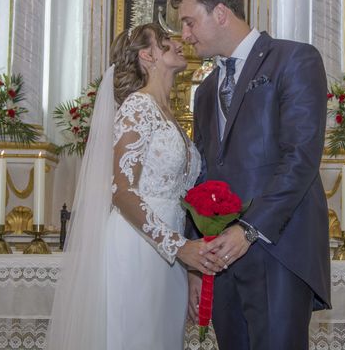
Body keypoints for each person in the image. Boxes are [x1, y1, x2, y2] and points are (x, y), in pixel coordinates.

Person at [171, 0, 331, 350]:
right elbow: (204, 175)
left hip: (279, 248)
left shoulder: (294, 59)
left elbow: (301, 157)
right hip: (222, 259)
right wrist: (197, 261)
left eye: (190, 22)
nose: (185, 35)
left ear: (221, 13)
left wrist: (248, 229)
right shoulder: (206, 90)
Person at [46, 22, 225, 349]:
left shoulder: (165, 112)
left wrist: (189, 266)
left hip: (169, 251)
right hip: (137, 244)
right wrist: (180, 248)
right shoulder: (138, 107)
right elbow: (123, 193)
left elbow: (180, 198)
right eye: (165, 40)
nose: (176, 43)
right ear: (148, 55)